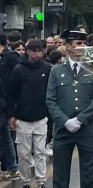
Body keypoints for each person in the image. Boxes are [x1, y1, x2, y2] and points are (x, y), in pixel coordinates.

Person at [46, 29, 93, 188]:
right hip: (63, 130)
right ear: (68, 47)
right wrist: (65, 121)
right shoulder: (56, 71)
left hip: (86, 129)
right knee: (60, 176)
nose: (83, 47)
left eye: (84, 43)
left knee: (89, 175)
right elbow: (51, 100)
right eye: (78, 43)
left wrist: (80, 119)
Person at [8, 39, 52, 188]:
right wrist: (11, 114)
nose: (37, 54)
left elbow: (51, 92)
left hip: (41, 116)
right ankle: (25, 182)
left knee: (40, 152)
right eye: (34, 51)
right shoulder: (19, 69)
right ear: (28, 52)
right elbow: (11, 93)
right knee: (24, 154)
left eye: (40, 51)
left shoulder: (48, 68)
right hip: (23, 117)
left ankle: (41, 182)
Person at [0, 35, 18, 181]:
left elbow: (12, 83)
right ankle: (9, 167)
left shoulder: (10, 57)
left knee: (5, 136)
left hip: (5, 102)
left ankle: (11, 167)